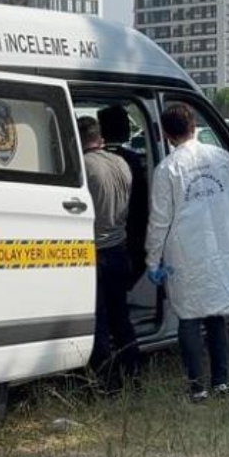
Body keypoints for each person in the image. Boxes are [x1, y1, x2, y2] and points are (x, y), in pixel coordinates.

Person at [145, 105, 229, 403]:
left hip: (186, 254)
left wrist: (153, 260)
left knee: (189, 318)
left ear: (166, 133)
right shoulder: (221, 157)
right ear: (195, 125)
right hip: (221, 249)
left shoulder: (167, 168)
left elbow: (160, 221)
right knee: (216, 314)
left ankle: (197, 387)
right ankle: (222, 382)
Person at [78, 115, 142, 392]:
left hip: (96, 253)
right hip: (120, 249)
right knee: (122, 319)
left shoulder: (84, 167)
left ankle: (107, 383)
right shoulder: (122, 163)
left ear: (79, 139)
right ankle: (134, 375)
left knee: (100, 322)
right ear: (99, 136)